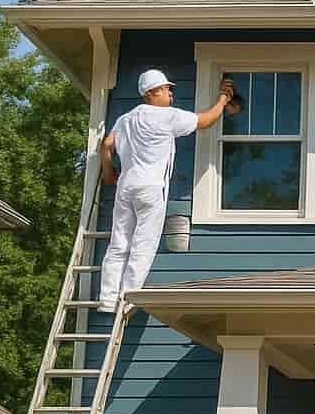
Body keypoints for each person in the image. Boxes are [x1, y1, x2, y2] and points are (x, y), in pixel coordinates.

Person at [96, 70, 236, 313]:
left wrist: (108, 172)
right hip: (150, 186)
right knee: (144, 243)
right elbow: (205, 121)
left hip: (126, 185)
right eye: (165, 88)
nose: (171, 92)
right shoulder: (165, 117)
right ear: (151, 93)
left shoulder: (125, 119)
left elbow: (107, 144)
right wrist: (222, 100)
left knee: (119, 242)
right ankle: (127, 298)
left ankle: (107, 300)